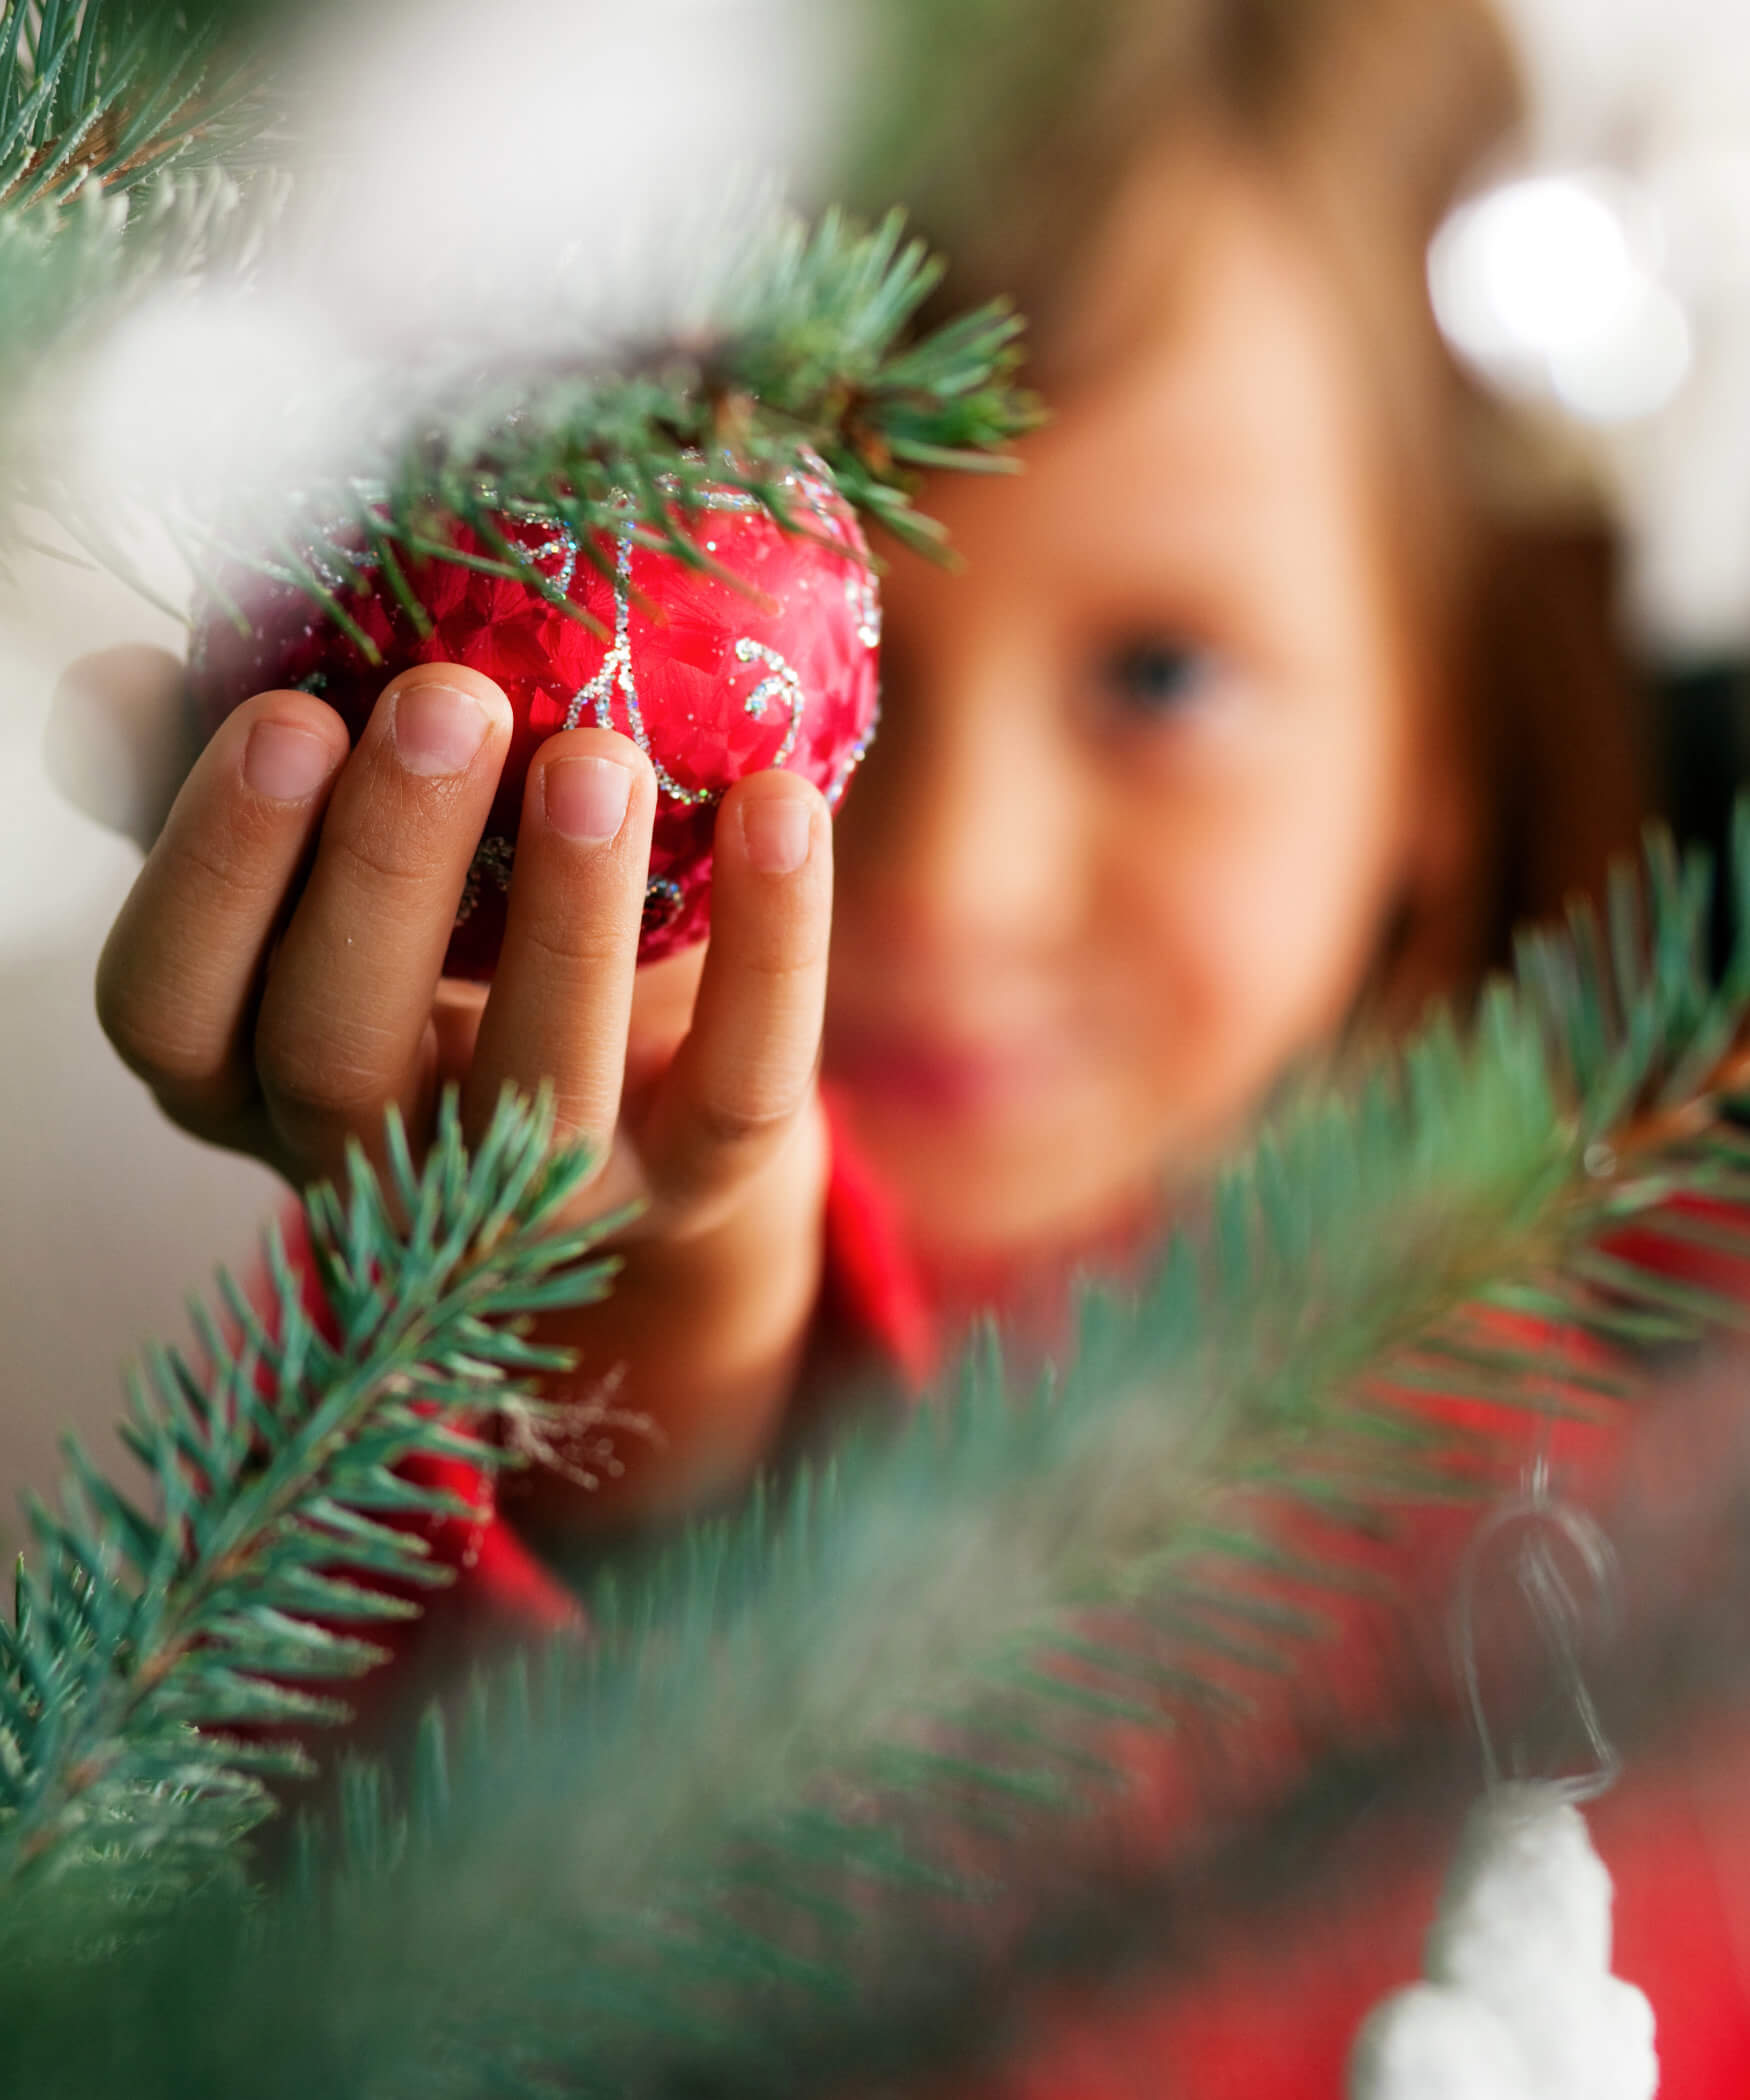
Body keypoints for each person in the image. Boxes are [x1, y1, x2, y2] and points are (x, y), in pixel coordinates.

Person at [80, 0, 1747, 2091]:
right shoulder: (428, 1362)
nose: (955, 875)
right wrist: (634, 1347)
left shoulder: (1657, 1452)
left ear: (1438, 726)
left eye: (1160, 675)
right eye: (803, 669)